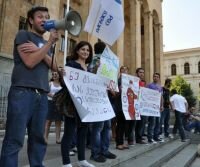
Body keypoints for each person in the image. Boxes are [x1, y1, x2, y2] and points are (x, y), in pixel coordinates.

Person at [0, 6, 59, 167]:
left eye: (47, 17)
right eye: (40, 16)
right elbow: (30, 62)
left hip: (42, 96)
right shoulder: (23, 35)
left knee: (38, 139)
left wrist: (42, 48)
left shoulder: (47, 43)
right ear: (31, 20)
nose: (44, 20)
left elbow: (55, 66)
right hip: (22, 92)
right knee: (15, 138)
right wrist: (47, 46)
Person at [61, 41, 95, 167]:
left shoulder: (90, 69)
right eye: (83, 49)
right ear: (77, 51)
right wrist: (62, 75)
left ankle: (82, 160)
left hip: (85, 106)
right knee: (69, 133)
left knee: (83, 132)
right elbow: (65, 83)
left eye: (88, 50)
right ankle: (66, 162)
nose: (85, 52)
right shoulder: (70, 64)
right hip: (72, 104)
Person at [89, 41, 116, 163]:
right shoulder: (95, 60)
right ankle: (96, 153)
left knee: (107, 126)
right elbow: (90, 76)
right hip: (98, 98)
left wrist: (113, 88)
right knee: (99, 127)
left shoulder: (108, 63)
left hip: (106, 97)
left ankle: (104, 150)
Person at [44, 71, 63, 144]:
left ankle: (58, 139)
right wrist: (53, 96)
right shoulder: (50, 83)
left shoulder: (62, 84)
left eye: (56, 74)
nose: (54, 75)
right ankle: (45, 138)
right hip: (50, 103)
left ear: (59, 75)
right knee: (48, 121)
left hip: (59, 104)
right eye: (53, 74)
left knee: (58, 121)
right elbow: (46, 92)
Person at [115, 66, 130, 150]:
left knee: (126, 125)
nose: (124, 70)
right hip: (120, 106)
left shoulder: (130, 82)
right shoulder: (117, 81)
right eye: (122, 69)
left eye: (126, 69)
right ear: (120, 72)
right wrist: (119, 90)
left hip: (127, 107)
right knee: (120, 125)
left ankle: (124, 142)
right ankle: (119, 143)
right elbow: (114, 94)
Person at [146, 72, 163, 143]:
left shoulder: (160, 87)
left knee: (158, 123)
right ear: (153, 77)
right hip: (151, 107)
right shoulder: (149, 85)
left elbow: (161, 97)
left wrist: (162, 105)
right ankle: (150, 138)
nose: (155, 78)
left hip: (158, 107)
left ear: (159, 78)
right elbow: (146, 94)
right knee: (152, 123)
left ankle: (156, 137)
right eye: (154, 76)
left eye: (157, 77)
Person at [135, 67, 147, 144]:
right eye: (140, 72)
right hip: (135, 104)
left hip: (142, 106)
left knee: (141, 122)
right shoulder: (133, 81)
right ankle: (132, 138)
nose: (142, 74)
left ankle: (139, 137)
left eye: (143, 72)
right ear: (137, 73)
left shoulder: (143, 83)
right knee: (135, 123)